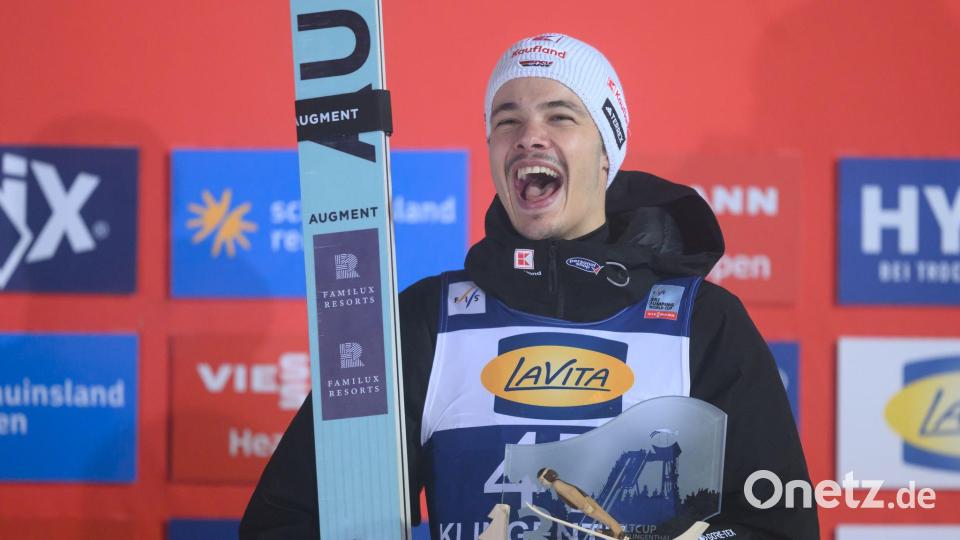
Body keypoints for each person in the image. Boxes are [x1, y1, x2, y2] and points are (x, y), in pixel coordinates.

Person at [241, 33, 819, 539]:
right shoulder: (424, 321)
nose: (528, 136)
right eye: (507, 119)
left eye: (560, 116)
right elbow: (292, 519)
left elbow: (776, 524)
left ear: (605, 152)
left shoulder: (703, 322)